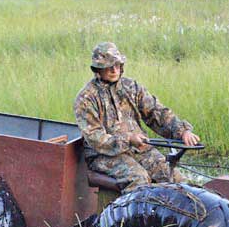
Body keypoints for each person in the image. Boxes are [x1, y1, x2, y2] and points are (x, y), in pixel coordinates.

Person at [74, 42, 200, 192]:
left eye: (117, 64)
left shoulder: (131, 87)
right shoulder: (86, 99)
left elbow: (156, 112)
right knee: (139, 179)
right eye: (109, 66)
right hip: (104, 156)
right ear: (98, 69)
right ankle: (133, 216)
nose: (114, 69)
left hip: (140, 150)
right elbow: (95, 138)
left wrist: (182, 131)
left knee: (175, 178)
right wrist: (128, 139)